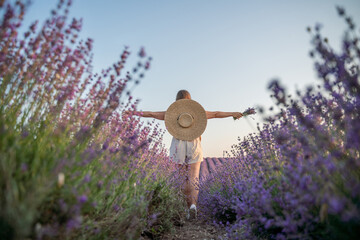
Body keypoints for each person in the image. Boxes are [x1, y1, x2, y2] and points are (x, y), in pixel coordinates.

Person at [132, 90, 243, 220]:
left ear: (176, 101)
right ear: (190, 100)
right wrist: (232, 113)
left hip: (177, 147)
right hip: (194, 145)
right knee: (193, 178)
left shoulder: (171, 114)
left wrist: (133, 113)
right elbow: (216, 113)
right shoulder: (198, 113)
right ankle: (193, 206)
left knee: (182, 179)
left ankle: (185, 207)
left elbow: (151, 114)